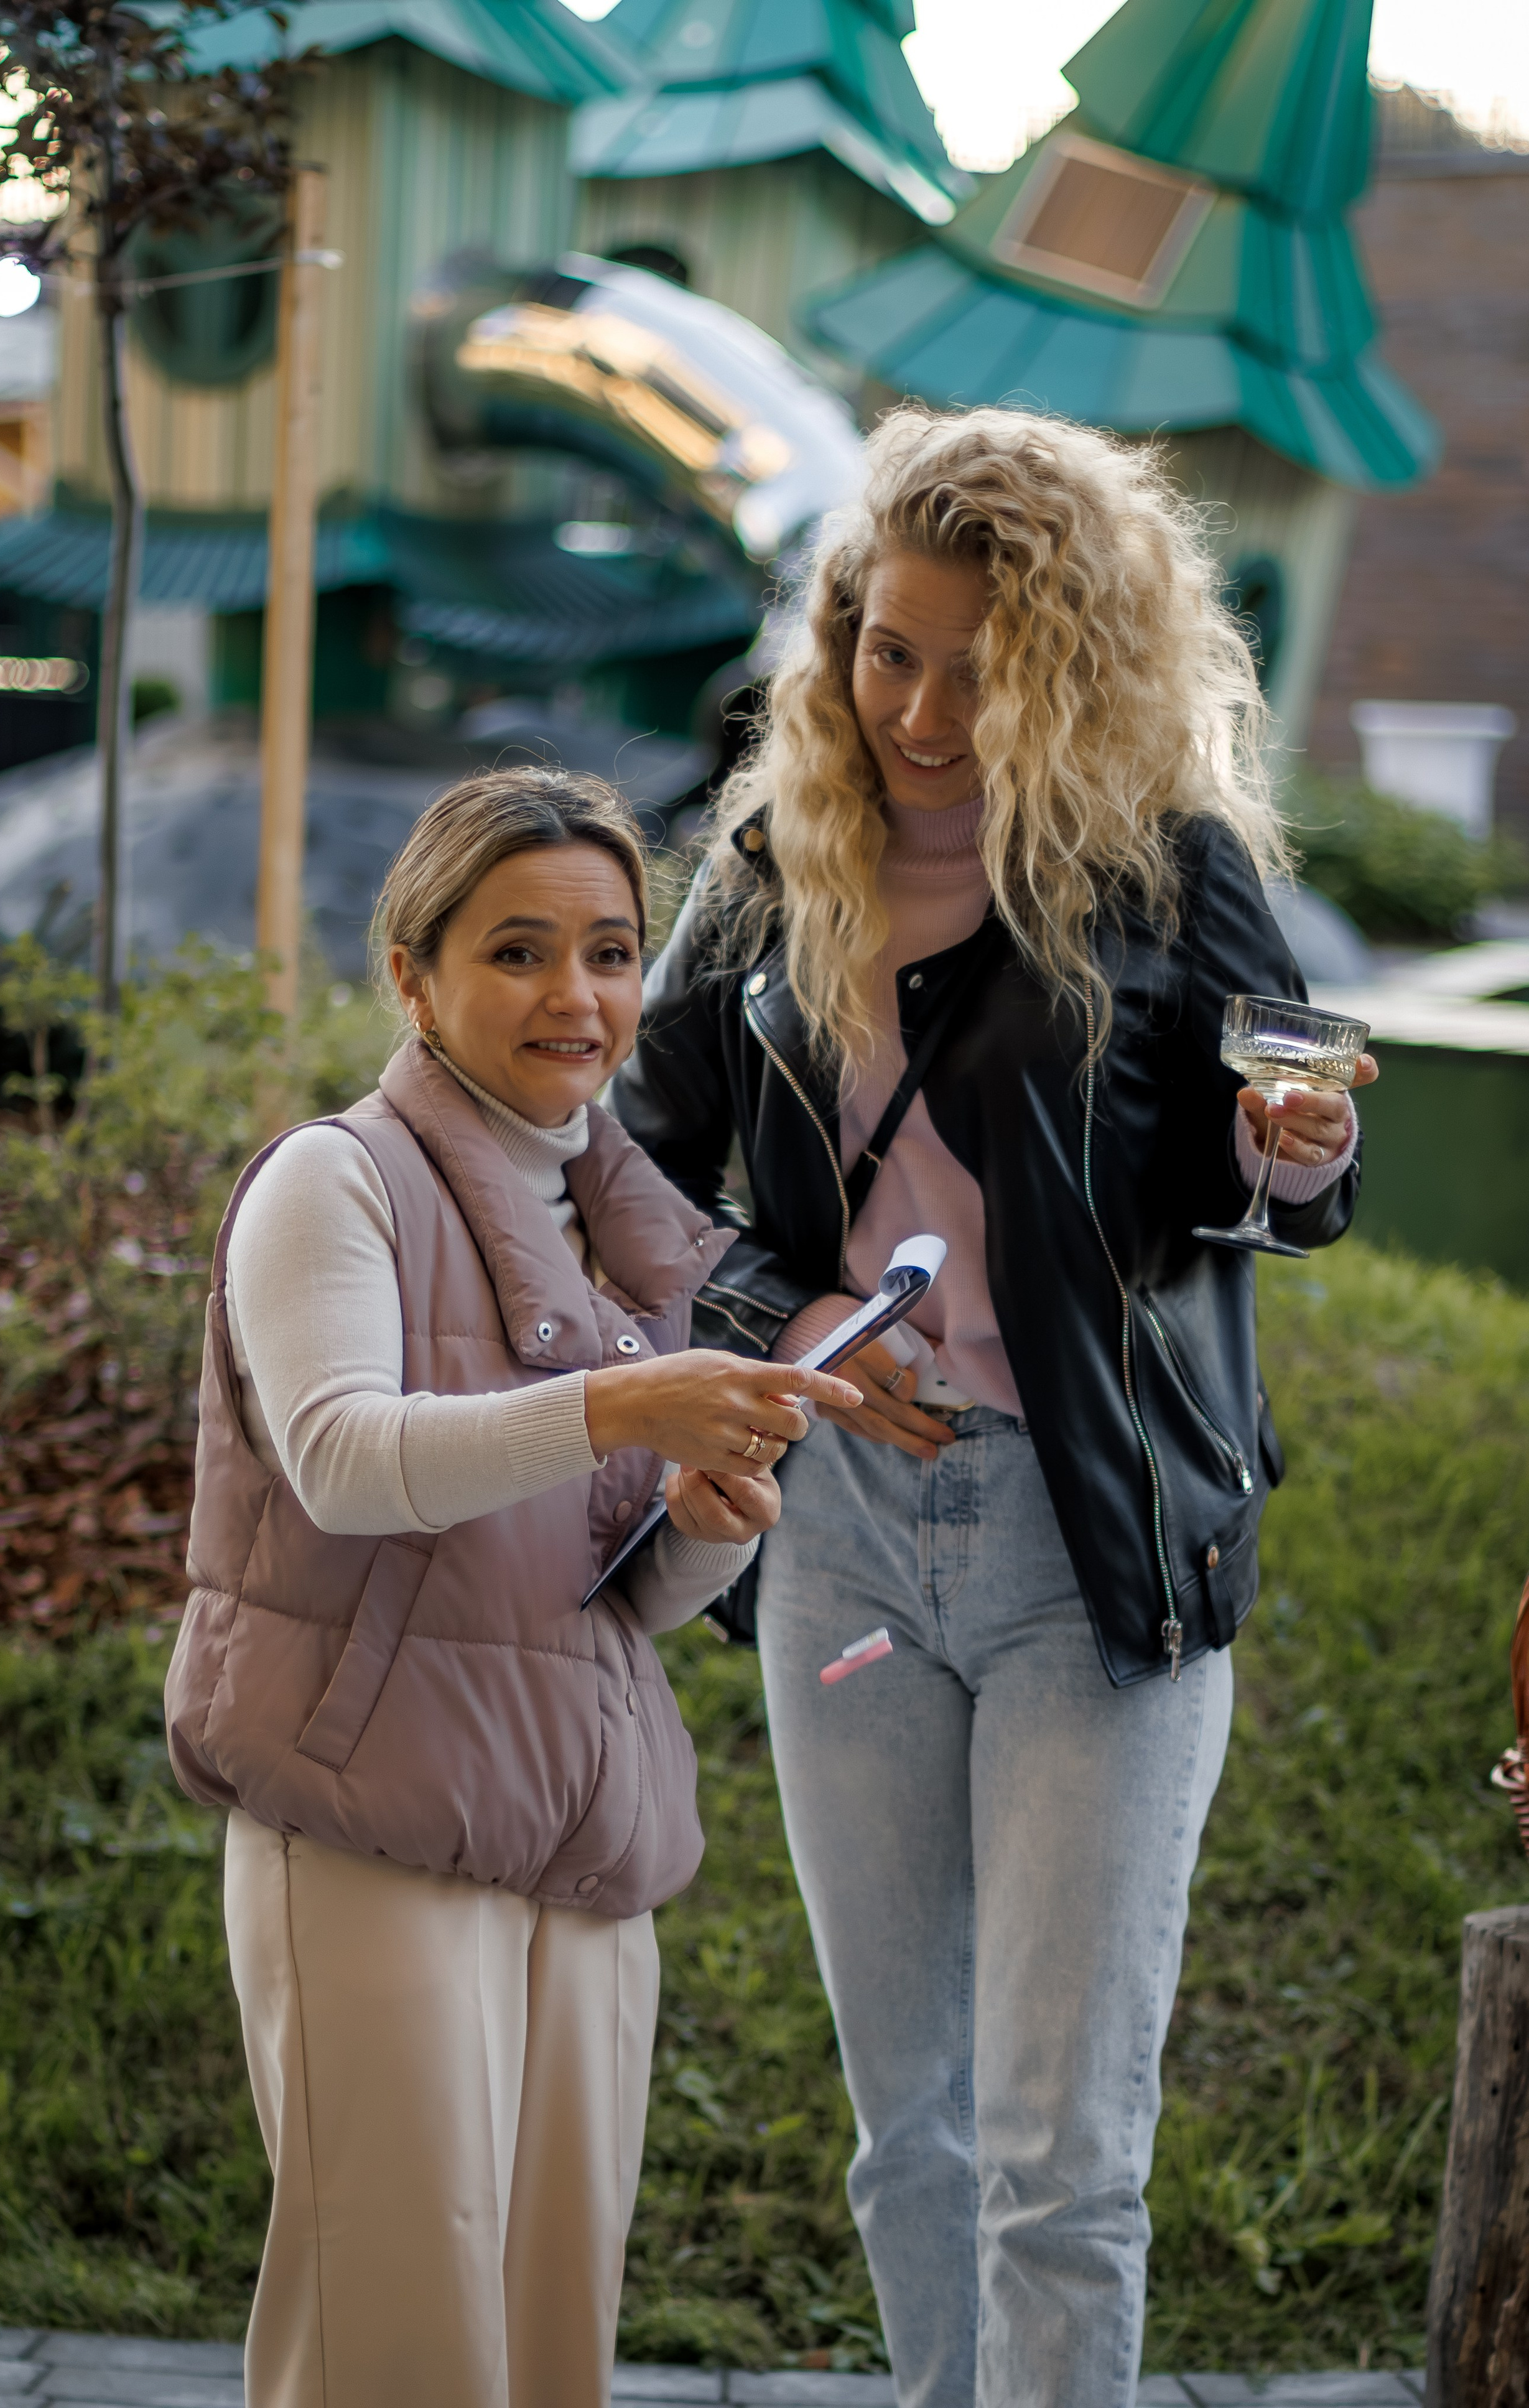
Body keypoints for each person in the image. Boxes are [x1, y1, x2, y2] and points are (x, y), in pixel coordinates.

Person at [611, 407, 1377, 2408]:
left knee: (1059, 2164)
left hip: (1088, 1541)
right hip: (841, 1539)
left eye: (982, 666)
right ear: (839, 636)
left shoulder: (1166, 871)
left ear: (1073, 662)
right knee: (915, 2136)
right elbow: (628, 1175)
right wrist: (795, 1324)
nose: (923, 713)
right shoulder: (771, 864)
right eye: (891, 652)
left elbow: (1278, 1170)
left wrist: (1293, 1147)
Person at [164, 769, 860, 2408]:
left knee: (549, 2350)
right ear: (413, 977)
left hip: (579, 1838)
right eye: (520, 951)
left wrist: (712, 1519)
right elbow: (344, 1462)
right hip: (374, 1821)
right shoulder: (334, 1182)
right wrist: (624, 1404)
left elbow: (602, 1591)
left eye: (611, 953)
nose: (578, 995)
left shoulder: (622, 1227)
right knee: (396, 2341)